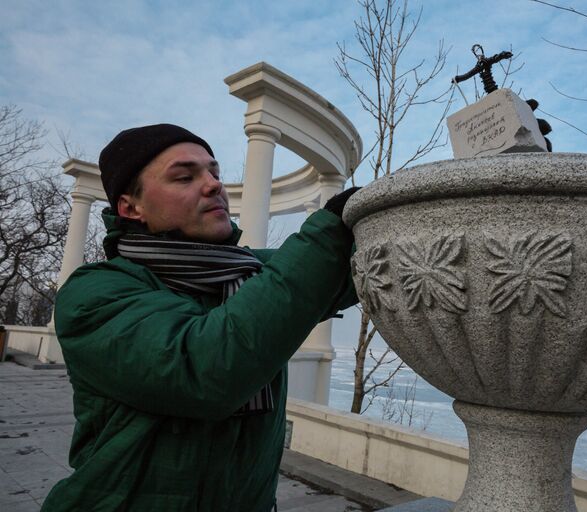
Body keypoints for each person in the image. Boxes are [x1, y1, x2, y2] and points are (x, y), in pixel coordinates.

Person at [41, 124, 359, 512]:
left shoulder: (247, 273)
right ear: (130, 207)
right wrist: (328, 232)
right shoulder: (94, 293)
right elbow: (208, 369)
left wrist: (378, 219)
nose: (213, 186)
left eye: (215, 173)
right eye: (185, 176)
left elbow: (338, 275)